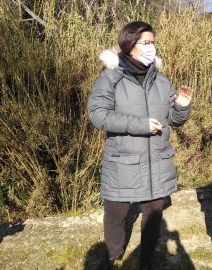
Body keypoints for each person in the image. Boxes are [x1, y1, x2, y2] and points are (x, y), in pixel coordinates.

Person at [87, 21, 193, 269]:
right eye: (146, 43)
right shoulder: (111, 77)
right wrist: (140, 124)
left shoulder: (162, 81)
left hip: (157, 162)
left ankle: (146, 260)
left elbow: (175, 121)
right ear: (129, 45)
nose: (151, 47)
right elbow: (98, 115)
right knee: (115, 216)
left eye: (153, 42)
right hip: (122, 162)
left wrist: (183, 105)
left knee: (153, 215)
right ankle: (113, 256)